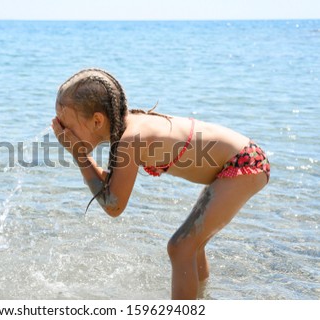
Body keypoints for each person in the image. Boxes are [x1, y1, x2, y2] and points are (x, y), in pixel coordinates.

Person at [51, 68, 270, 300]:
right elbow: (112, 189)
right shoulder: (127, 129)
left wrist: (80, 156)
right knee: (192, 247)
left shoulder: (130, 139)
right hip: (240, 161)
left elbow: (114, 205)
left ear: (97, 120)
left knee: (180, 247)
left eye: (67, 126)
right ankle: (203, 301)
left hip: (243, 165)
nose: (64, 133)